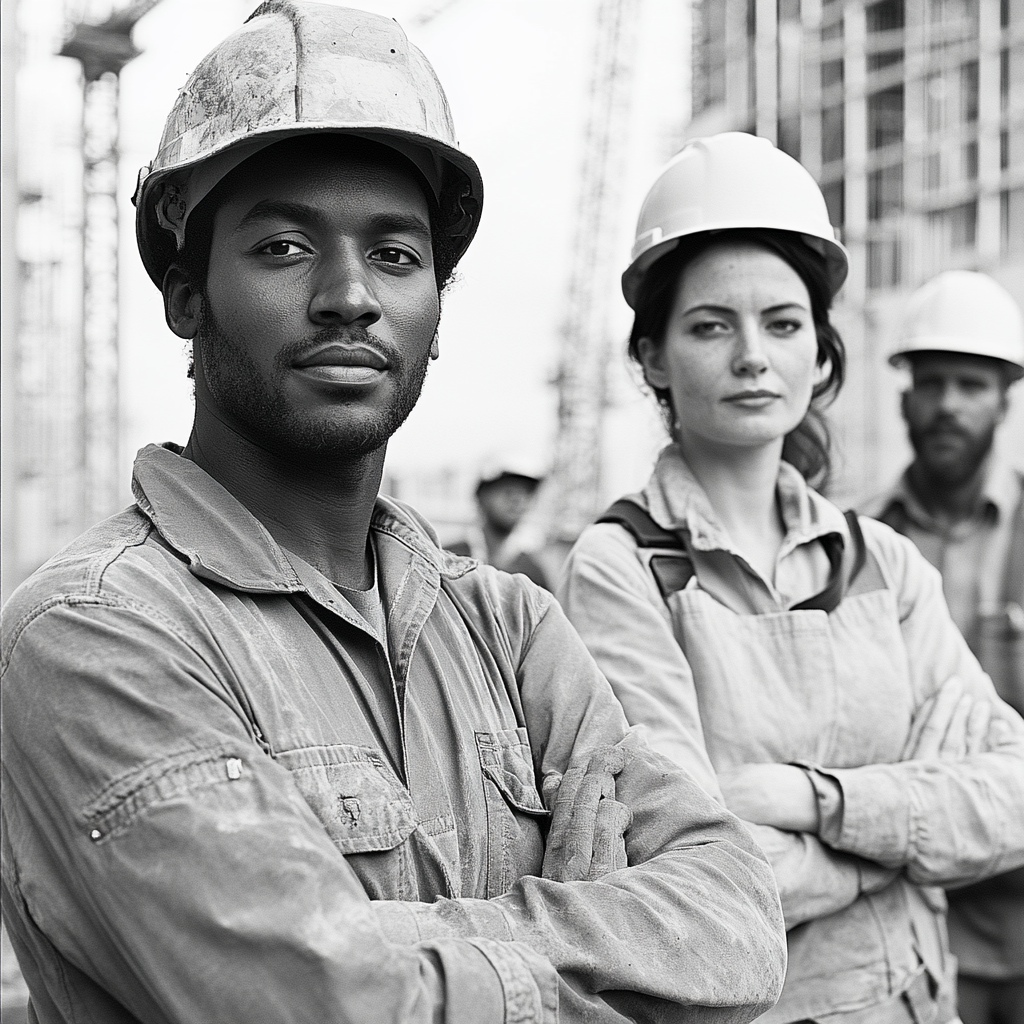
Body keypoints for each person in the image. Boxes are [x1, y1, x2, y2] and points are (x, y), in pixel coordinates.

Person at [0, 7, 789, 1022]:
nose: (349, 296)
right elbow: (319, 1007)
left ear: (436, 303)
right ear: (186, 296)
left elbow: (732, 928)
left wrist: (399, 944)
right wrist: (601, 929)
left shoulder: (509, 625)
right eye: (283, 246)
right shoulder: (97, 634)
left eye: (394, 255)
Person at [558, 132, 1024, 1024]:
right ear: (652, 357)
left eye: (781, 323)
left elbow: (1013, 798)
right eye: (709, 326)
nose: (751, 356)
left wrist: (821, 802)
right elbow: (691, 878)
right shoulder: (623, 569)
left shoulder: (879, 560)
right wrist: (904, 843)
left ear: (819, 351)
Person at [863, 271, 1024, 1024]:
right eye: (932, 383)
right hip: (897, 927)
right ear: (904, 395)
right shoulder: (851, 545)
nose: (949, 405)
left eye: (971, 384)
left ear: (1006, 397)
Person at [448, 462, 552, 588]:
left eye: (525, 492)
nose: (516, 500)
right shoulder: (449, 560)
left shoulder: (533, 574)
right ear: (481, 495)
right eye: (508, 491)